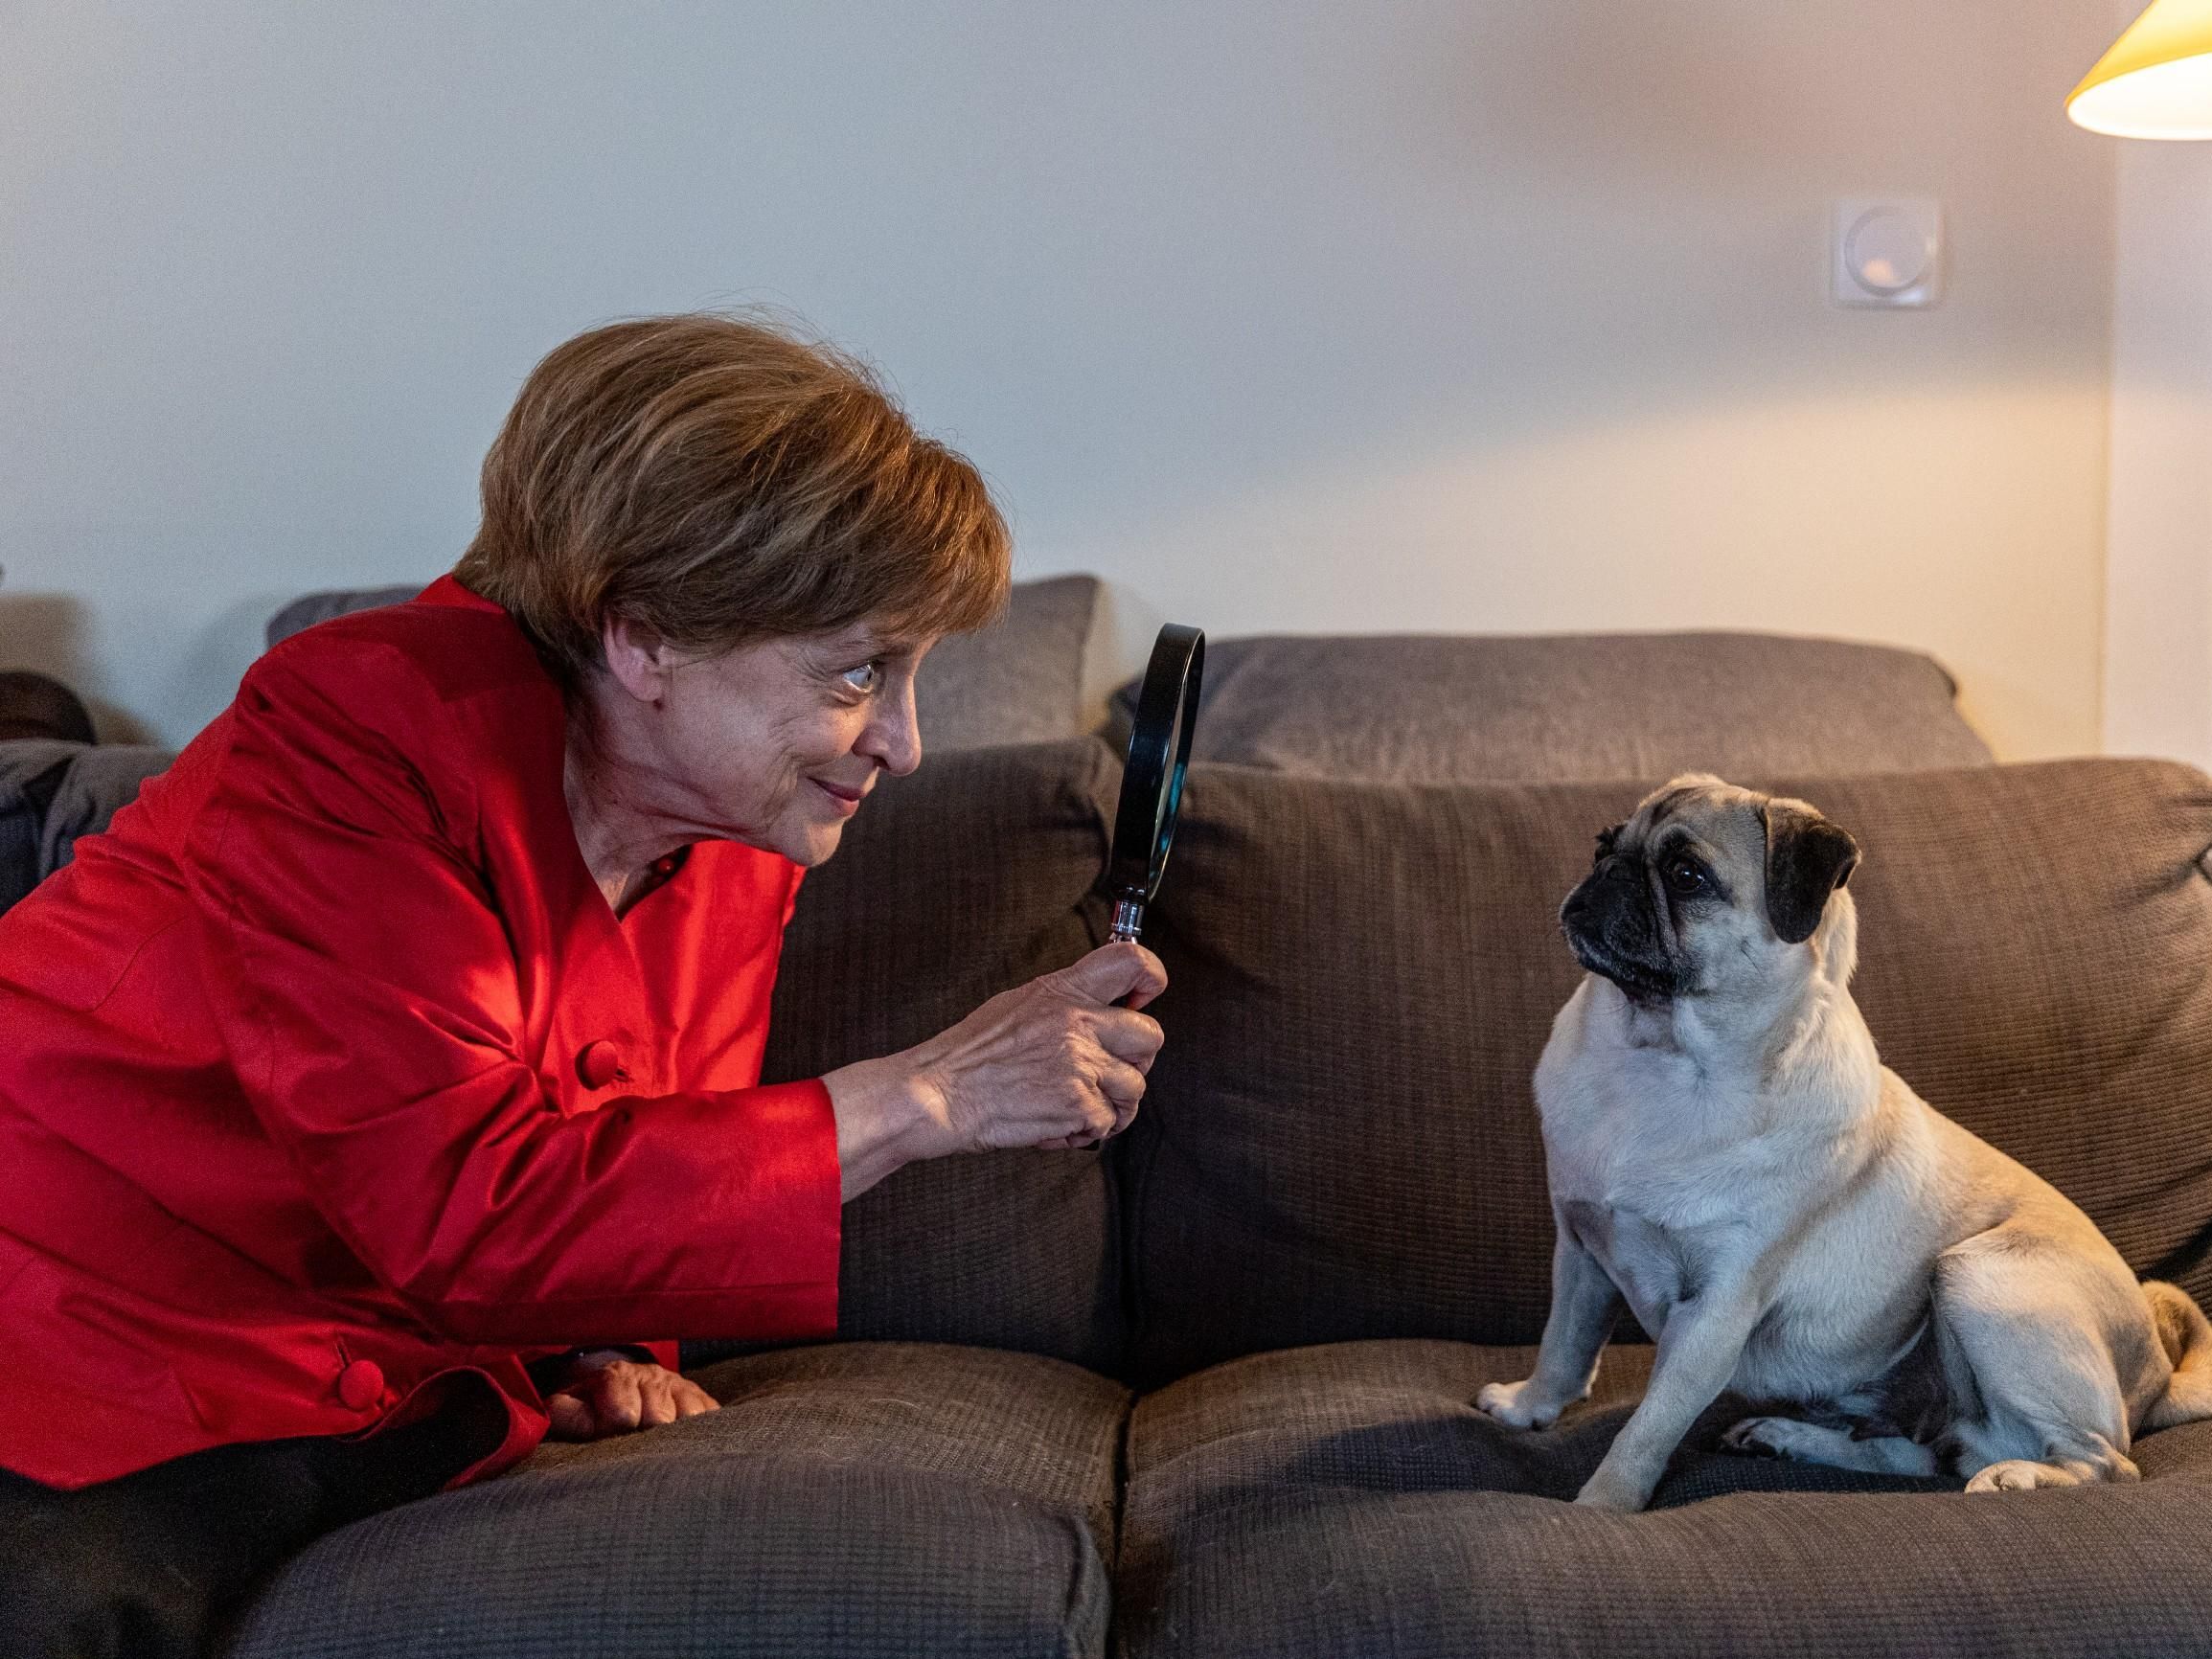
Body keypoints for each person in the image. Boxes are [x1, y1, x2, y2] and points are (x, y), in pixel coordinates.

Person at [0, 312, 1167, 1658]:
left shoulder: (737, 830)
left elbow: (632, 1140)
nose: (902, 744)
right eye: (858, 670)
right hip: (78, 1320)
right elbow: (456, 1200)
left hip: (353, 1373)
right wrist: (920, 1096)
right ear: (643, 637)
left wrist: (606, 1350)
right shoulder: (359, 725)